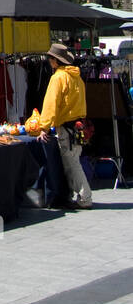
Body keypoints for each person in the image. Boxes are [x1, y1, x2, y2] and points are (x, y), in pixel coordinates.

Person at [38, 43, 92, 210]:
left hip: (67, 128)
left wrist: (44, 127)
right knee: (74, 161)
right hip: (79, 126)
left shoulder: (58, 78)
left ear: (55, 61)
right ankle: (76, 196)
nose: (49, 61)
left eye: (50, 59)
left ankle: (85, 197)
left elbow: (51, 104)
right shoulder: (76, 77)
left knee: (72, 164)